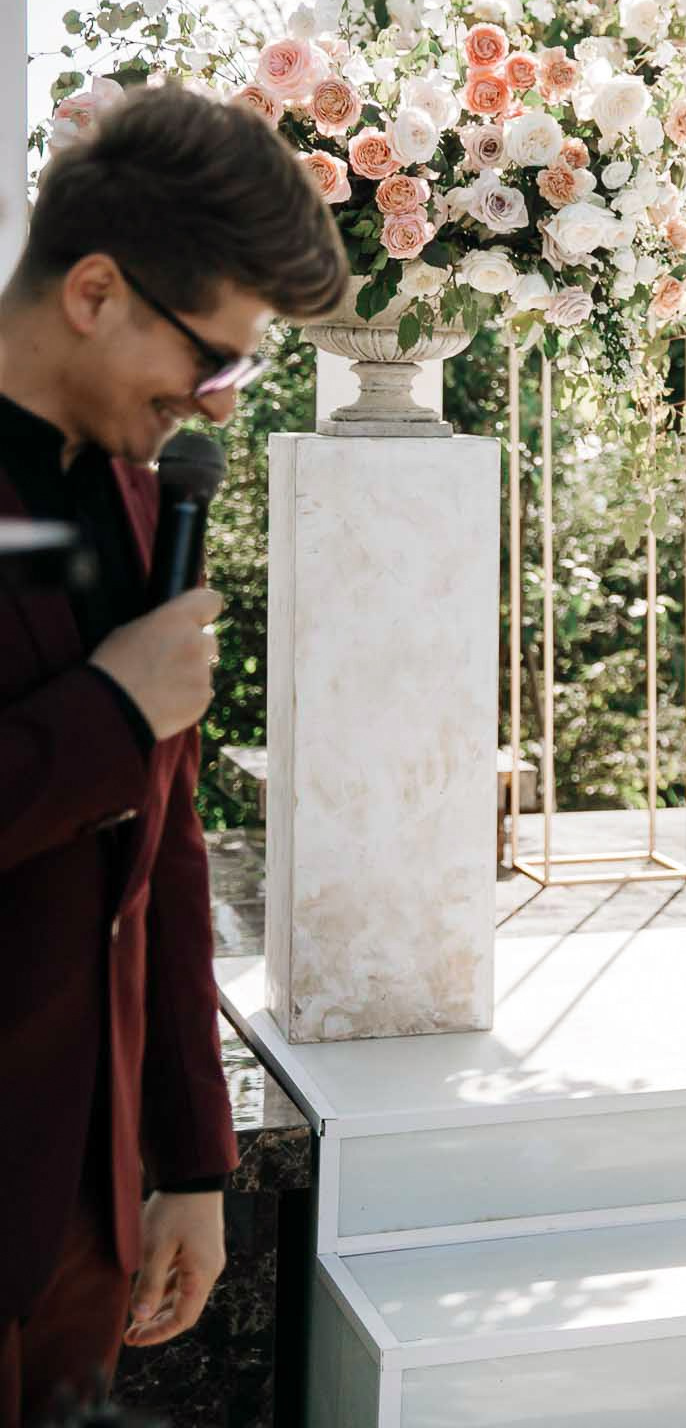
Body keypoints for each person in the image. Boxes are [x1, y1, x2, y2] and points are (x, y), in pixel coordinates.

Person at [0, 84, 346, 1428]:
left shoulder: (151, 492)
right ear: (95, 290)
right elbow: (119, 737)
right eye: (211, 360)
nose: (212, 400)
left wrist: (191, 1160)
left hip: (84, 1228)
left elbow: (169, 844)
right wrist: (108, 708)